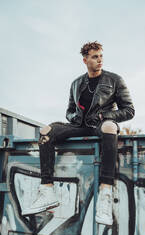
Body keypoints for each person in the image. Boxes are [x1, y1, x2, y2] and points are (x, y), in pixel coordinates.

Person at [22, 41, 135, 225]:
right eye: (94, 57)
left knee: (109, 127)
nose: (99, 60)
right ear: (85, 60)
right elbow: (69, 110)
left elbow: (129, 110)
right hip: (80, 124)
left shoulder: (115, 80)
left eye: (101, 56)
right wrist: (74, 117)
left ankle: (105, 192)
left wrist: (104, 115)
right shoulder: (76, 84)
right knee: (45, 132)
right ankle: (47, 190)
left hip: (101, 124)